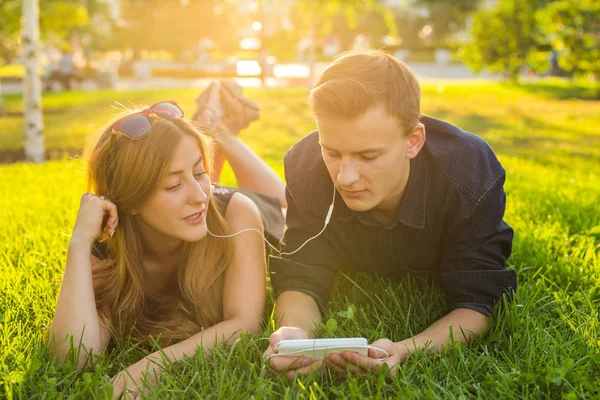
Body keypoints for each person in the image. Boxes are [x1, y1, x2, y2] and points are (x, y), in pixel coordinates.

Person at [264, 50, 517, 379]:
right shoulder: (305, 168)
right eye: (332, 151)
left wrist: (406, 350)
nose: (345, 177)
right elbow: (301, 276)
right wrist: (294, 335)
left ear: (413, 141)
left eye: (368, 156)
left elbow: (477, 301)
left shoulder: (469, 175)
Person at [48, 81, 285, 397]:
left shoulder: (236, 213)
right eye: (173, 185)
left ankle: (219, 131)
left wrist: (151, 366)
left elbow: (244, 323)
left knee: (286, 203)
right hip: (191, 216)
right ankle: (209, 130)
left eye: (201, 172)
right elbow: (72, 359)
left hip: (260, 217)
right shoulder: (110, 244)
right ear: (130, 201)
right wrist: (78, 243)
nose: (199, 194)